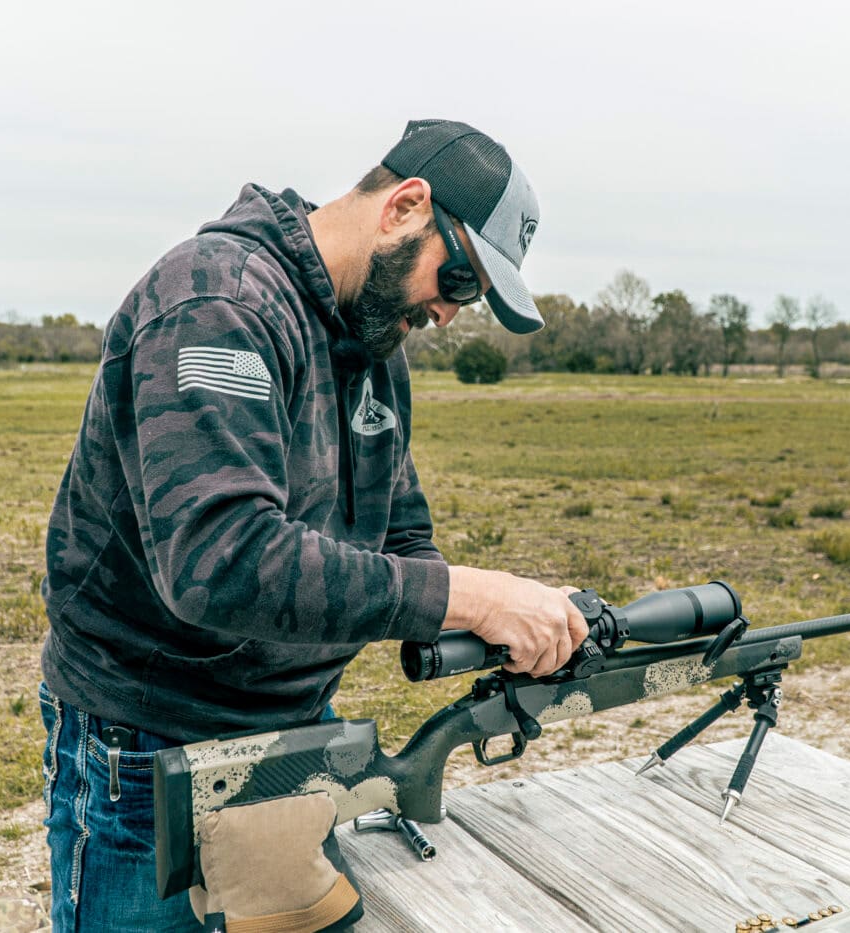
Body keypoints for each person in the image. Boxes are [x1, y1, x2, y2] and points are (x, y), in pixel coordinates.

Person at [38, 119, 588, 930]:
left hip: (295, 742)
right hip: (151, 747)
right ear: (405, 206)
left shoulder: (376, 349)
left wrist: (492, 632)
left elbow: (401, 535)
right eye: (461, 280)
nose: (448, 314)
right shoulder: (219, 301)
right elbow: (219, 560)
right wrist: (468, 596)